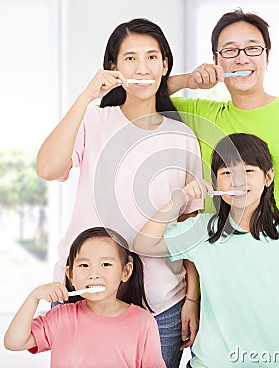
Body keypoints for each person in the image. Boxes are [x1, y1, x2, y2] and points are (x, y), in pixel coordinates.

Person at [167, 8, 279, 366]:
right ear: (217, 59)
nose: (242, 58)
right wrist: (189, 78)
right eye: (229, 50)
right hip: (221, 294)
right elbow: (139, 98)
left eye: (253, 48)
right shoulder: (202, 115)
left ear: (267, 56)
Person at [35, 18, 203, 367]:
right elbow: (48, 168)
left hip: (162, 302)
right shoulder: (94, 121)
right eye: (130, 58)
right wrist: (85, 98)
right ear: (112, 67)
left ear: (165, 65)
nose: (142, 68)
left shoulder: (182, 137)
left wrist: (192, 298)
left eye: (152, 57)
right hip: (85, 295)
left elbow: (189, 226)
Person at [134, 133, 279, 368]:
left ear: (268, 177)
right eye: (227, 172)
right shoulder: (201, 231)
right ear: (216, 183)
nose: (237, 180)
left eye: (248, 171)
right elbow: (143, 243)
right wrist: (181, 199)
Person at [4, 227, 166, 368]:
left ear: (125, 272)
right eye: (84, 265)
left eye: (106, 264)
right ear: (71, 275)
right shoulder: (61, 317)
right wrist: (34, 298)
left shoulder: (142, 322)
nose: (93, 274)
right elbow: (14, 342)